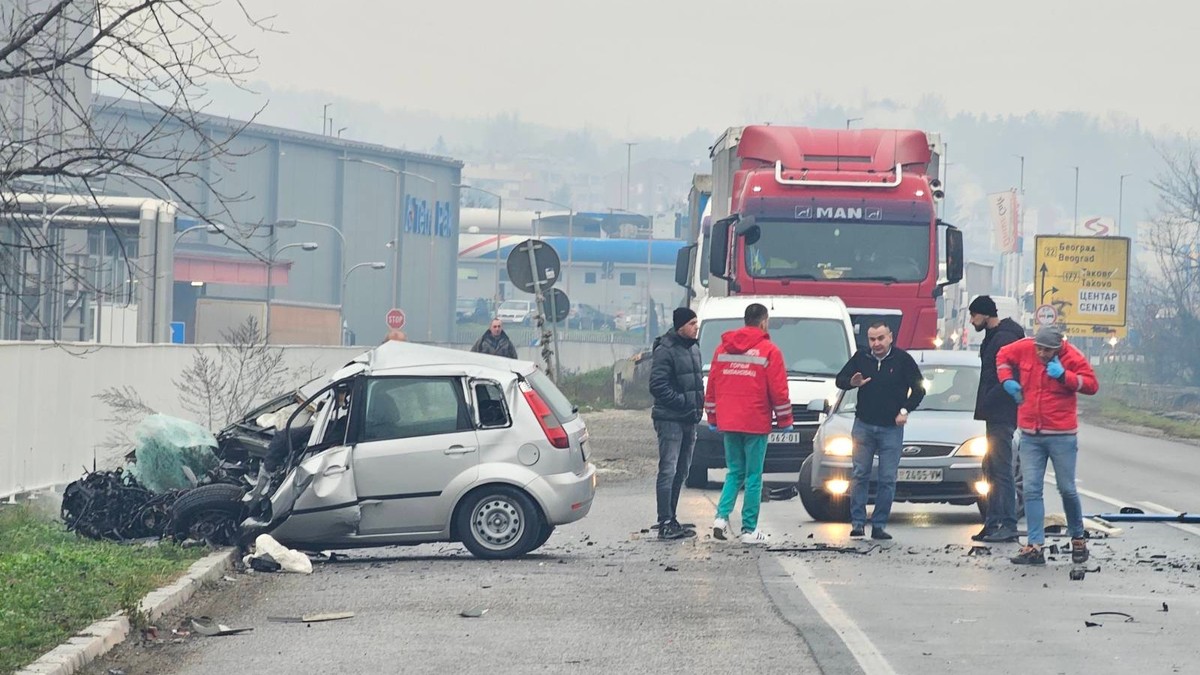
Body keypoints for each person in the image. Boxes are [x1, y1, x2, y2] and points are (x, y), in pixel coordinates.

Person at [997, 326, 1099, 566]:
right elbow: (1002, 356)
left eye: (1047, 350)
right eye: (1039, 349)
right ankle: (1034, 546)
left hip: (1061, 435)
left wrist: (1065, 376)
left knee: (1067, 489)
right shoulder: (1025, 348)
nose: (1041, 353)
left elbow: (1092, 385)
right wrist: (1007, 381)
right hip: (1030, 434)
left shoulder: (1072, 357)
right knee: (1032, 489)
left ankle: (1077, 539)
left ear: (1058, 347)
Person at [704, 303, 792, 545]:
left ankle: (721, 518)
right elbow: (778, 389)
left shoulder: (723, 348)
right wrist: (785, 419)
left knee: (734, 472)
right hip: (755, 420)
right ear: (764, 322)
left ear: (745, 320)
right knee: (754, 475)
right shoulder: (769, 350)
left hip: (729, 421)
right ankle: (748, 530)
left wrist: (712, 417)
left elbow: (712, 385)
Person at [834, 322, 925, 540]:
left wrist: (905, 410)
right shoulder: (861, 357)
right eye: (872, 339)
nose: (876, 344)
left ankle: (879, 524)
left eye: (881, 338)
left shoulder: (902, 360)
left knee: (887, 478)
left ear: (890, 337)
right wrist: (851, 382)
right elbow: (840, 380)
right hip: (863, 425)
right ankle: (857, 523)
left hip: (891, 428)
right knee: (859, 474)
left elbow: (919, 388)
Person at [968, 295, 1026, 543]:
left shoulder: (1004, 339)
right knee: (992, 468)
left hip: (1001, 413)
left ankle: (1008, 524)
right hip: (994, 412)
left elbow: (1006, 379)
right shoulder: (994, 337)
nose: (971, 321)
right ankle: (992, 522)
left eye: (974, 316)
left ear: (985, 314)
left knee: (1002, 470)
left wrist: (988, 400)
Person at [648, 307, 704, 540]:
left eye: (696, 323)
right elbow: (657, 385)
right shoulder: (665, 350)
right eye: (692, 324)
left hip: (689, 419)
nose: (696, 327)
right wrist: (682, 401)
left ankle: (672, 516)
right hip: (670, 419)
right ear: (681, 326)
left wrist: (697, 406)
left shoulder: (694, 349)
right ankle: (664, 521)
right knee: (668, 470)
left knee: (682, 471)